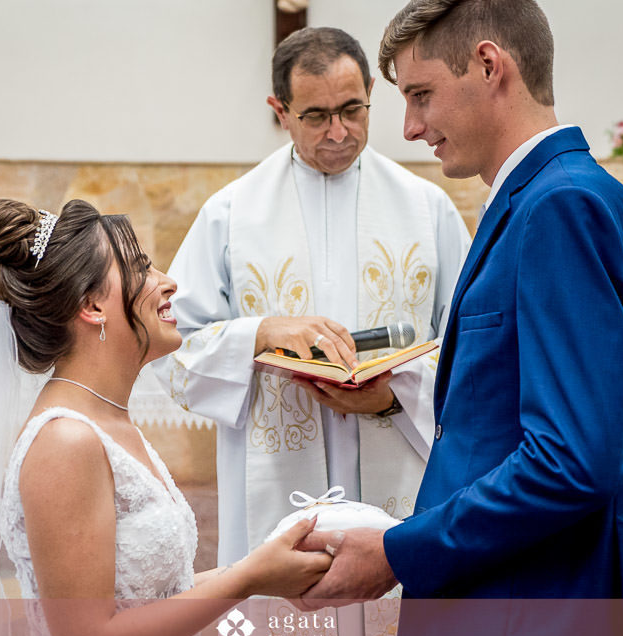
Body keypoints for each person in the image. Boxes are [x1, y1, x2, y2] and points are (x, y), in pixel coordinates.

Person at [297, 1, 623, 636]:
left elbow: (572, 461)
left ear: (488, 65)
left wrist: (397, 551)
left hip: (536, 619)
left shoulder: (560, 206)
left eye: (421, 95)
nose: (411, 127)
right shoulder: (558, 194)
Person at [0, 198, 331, 636]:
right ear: (92, 306)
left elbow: (150, 600)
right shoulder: (65, 442)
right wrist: (246, 580)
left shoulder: (109, 422)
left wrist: (258, 569)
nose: (169, 282)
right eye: (141, 269)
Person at [155, 26, 471, 573]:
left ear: (371, 92)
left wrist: (394, 397)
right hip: (279, 481)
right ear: (280, 111)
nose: (338, 132)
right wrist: (260, 333)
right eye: (316, 116)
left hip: (399, 461)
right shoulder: (230, 214)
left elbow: (472, 346)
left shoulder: (428, 209)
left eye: (352, 109)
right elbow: (170, 346)